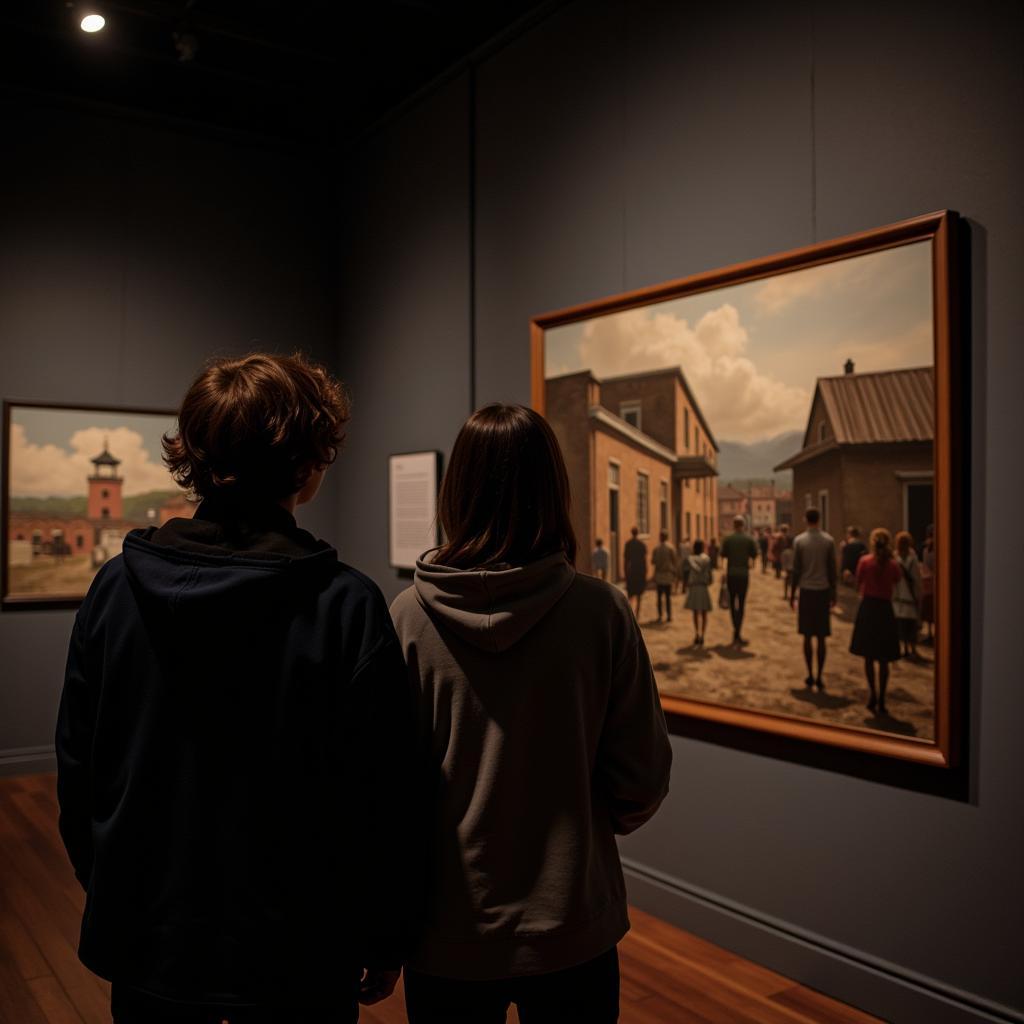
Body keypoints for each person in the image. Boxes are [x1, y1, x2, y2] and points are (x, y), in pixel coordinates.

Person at [55, 353, 415, 1024]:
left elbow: (79, 764)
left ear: (195, 453)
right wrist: (385, 934)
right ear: (309, 463)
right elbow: (378, 796)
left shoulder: (115, 589)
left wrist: (108, 882)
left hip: (147, 932)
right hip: (299, 948)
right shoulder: (344, 606)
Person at [389, 404, 672, 1024]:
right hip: (573, 921)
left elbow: (391, 793)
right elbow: (643, 777)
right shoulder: (602, 614)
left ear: (455, 491)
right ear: (554, 492)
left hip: (448, 929)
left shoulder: (407, 619)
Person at [851, 527, 902, 714]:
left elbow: (858, 585)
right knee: (884, 659)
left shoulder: (865, 561)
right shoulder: (893, 564)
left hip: (869, 608)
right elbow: (897, 581)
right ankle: (882, 698)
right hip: (885, 610)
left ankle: (872, 693)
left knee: (869, 656)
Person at [791, 508, 837, 691]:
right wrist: (834, 594)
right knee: (822, 636)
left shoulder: (799, 541)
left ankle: (809, 673)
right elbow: (832, 569)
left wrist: (792, 593)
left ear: (805, 519)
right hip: (823, 591)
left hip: (807, 591)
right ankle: (820, 676)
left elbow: (796, 569)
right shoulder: (828, 541)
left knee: (807, 635)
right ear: (819, 519)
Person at [720, 516, 758, 646]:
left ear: (733, 525)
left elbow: (723, 556)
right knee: (741, 604)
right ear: (744, 525)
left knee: (732, 603)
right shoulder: (748, 539)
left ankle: (735, 630)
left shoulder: (728, 539)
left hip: (731, 575)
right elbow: (754, 554)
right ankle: (738, 632)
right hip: (743, 575)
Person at [893, 530, 922, 658]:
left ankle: (904, 648)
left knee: (902, 625)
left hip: (898, 597)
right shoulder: (913, 558)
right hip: (909, 596)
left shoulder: (895, 558)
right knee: (911, 625)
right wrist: (918, 594)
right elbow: (916, 578)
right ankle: (912, 649)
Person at [683, 539, 713, 646]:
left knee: (695, 612)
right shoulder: (707, 559)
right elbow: (710, 577)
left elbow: (686, 574)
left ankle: (696, 633)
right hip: (703, 587)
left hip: (694, 588)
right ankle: (703, 635)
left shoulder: (690, 559)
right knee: (704, 613)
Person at [651, 529, 678, 622]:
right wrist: (675, 574)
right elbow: (675, 561)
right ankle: (669, 616)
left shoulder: (656, 549)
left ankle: (660, 616)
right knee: (667, 597)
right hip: (668, 576)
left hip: (659, 575)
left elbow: (653, 561)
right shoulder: (671, 548)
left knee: (659, 598)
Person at [624, 526, 648, 617]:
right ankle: (637, 613)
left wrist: (625, 572)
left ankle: (630, 613)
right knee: (639, 594)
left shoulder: (628, 544)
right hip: (640, 570)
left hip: (631, 570)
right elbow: (644, 559)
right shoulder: (642, 544)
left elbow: (626, 560)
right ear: (637, 533)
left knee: (630, 594)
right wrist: (646, 571)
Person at [919, 524, 936, 644]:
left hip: (927, 582)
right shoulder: (934, 549)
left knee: (929, 610)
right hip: (933, 582)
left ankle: (930, 633)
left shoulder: (926, 549)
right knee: (932, 610)